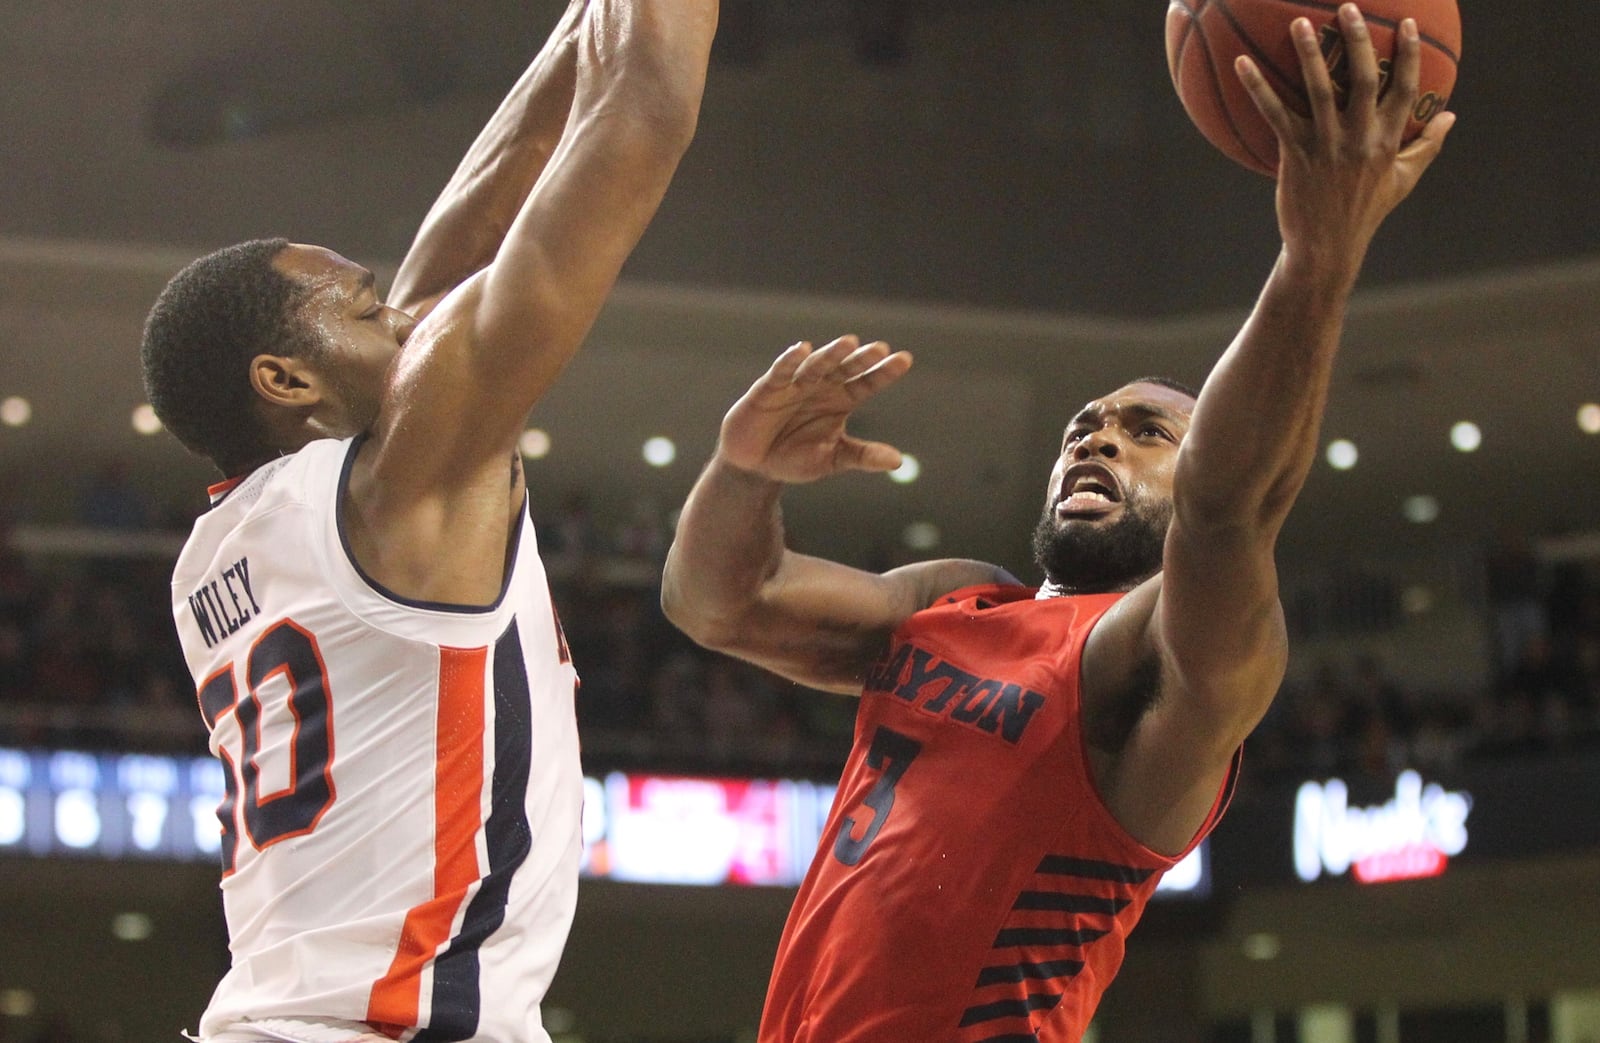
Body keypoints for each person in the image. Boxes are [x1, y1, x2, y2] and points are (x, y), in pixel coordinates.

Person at [660, 7, 1453, 1040]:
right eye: (1082, 426)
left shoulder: (1152, 659)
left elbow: (1224, 513)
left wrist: (1318, 258)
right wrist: (741, 471)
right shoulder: (951, 598)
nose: (1096, 442)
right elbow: (715, 600)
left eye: (1143, 431)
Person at [140, 1, 718, 1040]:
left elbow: (475, 218)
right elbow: (646, 111)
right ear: (284, 376)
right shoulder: (404, 483)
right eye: (364, 310)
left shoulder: (227, 546)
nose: (403, 314)